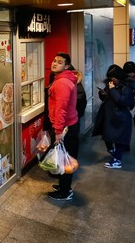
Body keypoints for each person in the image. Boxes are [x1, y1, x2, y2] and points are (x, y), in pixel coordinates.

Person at [47, 52, 79, 201]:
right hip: (70, 125)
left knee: (66, 160)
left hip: (66, 128)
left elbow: (61, 108)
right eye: (54, 60)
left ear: (66, 66)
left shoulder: (61, 83)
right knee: (64, 158)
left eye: (59, 62)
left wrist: (58, 131)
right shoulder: (64, 78)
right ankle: (64, 186)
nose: (55, 63)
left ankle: (65, 192)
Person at [93, 64, 135, 169]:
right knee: (107, 135)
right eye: (110, 77)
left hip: (121, 117)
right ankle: (113, 152)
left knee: (119, 139)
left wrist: (112, 90)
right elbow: (107, 97)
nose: (112, 79)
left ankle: (117, 160)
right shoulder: (111, 84)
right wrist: (103, 94)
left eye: (114, 77)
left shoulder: (127, 86)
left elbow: (122, 101)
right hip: (110, 116)